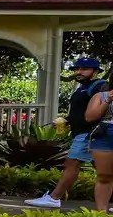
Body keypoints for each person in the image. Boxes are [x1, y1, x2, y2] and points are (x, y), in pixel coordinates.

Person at [27, 57, 107, 208]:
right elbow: (79, 112)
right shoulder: (81, 88)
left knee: (71, 163)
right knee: (104, 170)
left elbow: (102, 110)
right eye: (77, 69)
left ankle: (54, 198)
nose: (79, 72)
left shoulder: (100, 86)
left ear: (95, 71)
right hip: (83, 133)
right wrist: (67, 120)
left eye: (84, 69)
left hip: (90, 133)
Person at [82, 66, 113, 212]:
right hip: (105, 134)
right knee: (104, 176)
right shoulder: (101, 96)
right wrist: (108, 100)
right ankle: (102, 214)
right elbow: (90, 117)